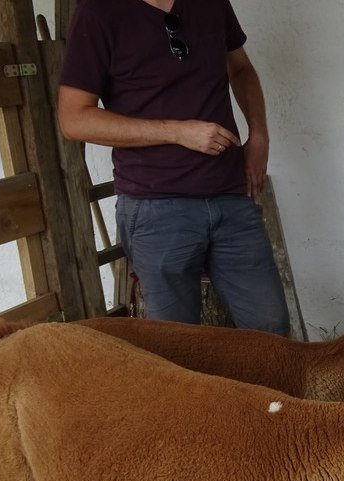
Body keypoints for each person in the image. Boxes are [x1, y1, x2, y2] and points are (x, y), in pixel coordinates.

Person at [57, 0, 289, 334]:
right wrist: (177, 132)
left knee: (270, 326)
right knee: (179, 342)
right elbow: (74, 119)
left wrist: (259, 135)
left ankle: (260, 390)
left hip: (230, 196)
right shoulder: (98, 12)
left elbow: (240, 68)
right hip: (155, 208)